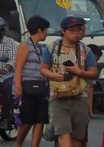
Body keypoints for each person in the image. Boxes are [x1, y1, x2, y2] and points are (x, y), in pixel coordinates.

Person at [40, 16, 98, 147]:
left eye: (79, 29)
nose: (76, 32)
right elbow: (43, 69)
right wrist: (54, 76)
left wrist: (79, 72)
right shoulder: (51, 48)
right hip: (58, 97)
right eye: (72, 30)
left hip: (80, 97)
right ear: (63, 31)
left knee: (78, 137)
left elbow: (94, 72)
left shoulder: (86, 50)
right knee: (63, 133)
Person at [13, 16, 51, 147]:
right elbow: (19, 66)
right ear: (40, 30)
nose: (47, 33)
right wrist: (18, 86)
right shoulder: (25, 45)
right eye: (46, 30)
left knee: (41, 119)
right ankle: (18, 143)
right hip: (27, 86)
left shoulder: (43, 48)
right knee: (27, 120)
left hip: (42, 87)